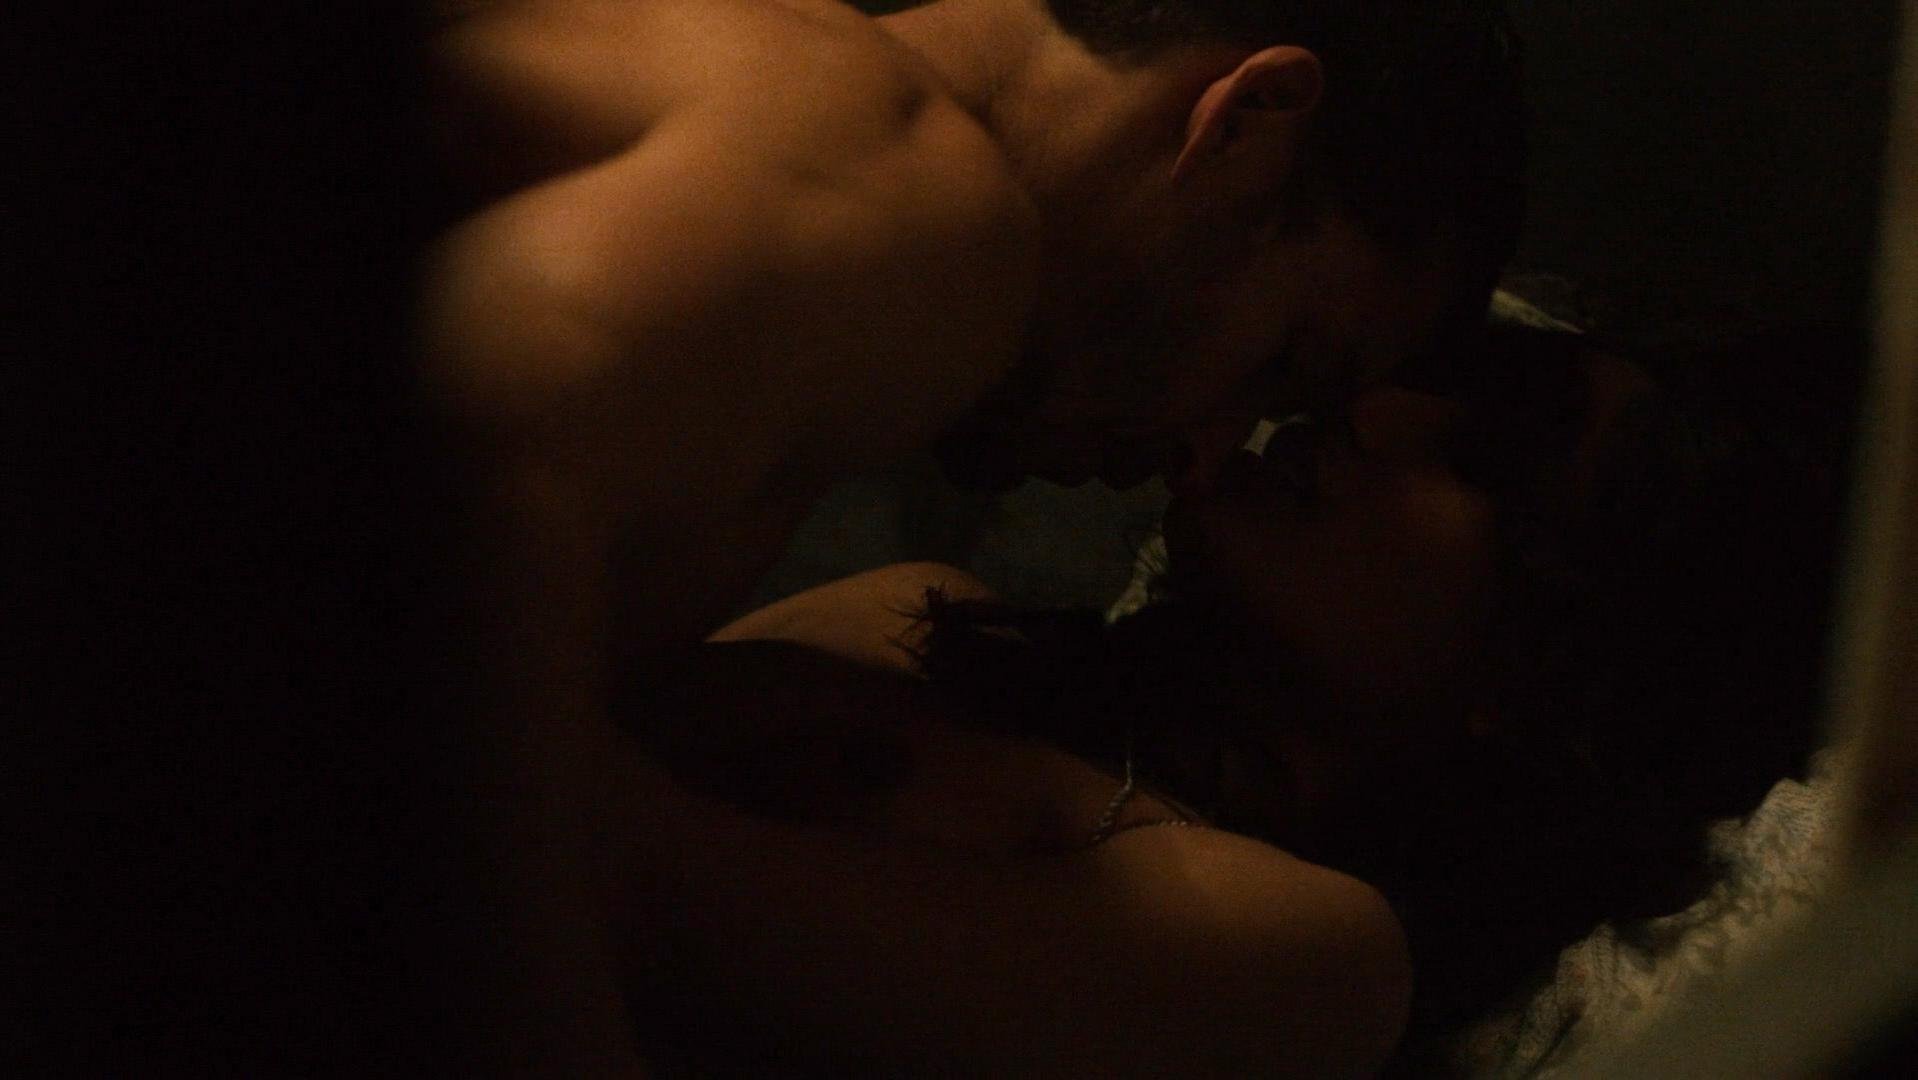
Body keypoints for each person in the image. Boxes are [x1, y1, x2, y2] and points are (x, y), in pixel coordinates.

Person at [415, 0, 1525, 1074]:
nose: (1210, 451)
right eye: (1285, 362)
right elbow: (480, 459)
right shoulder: (932, 206)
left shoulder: (775, 75)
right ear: (1245, 122)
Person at [691, 323, 1847, 1074]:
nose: (1374, 411)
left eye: (1488, 457)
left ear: (1542, 675)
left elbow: (632, 878)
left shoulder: (1316, 965)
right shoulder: (914, 616)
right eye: (1447, 373)